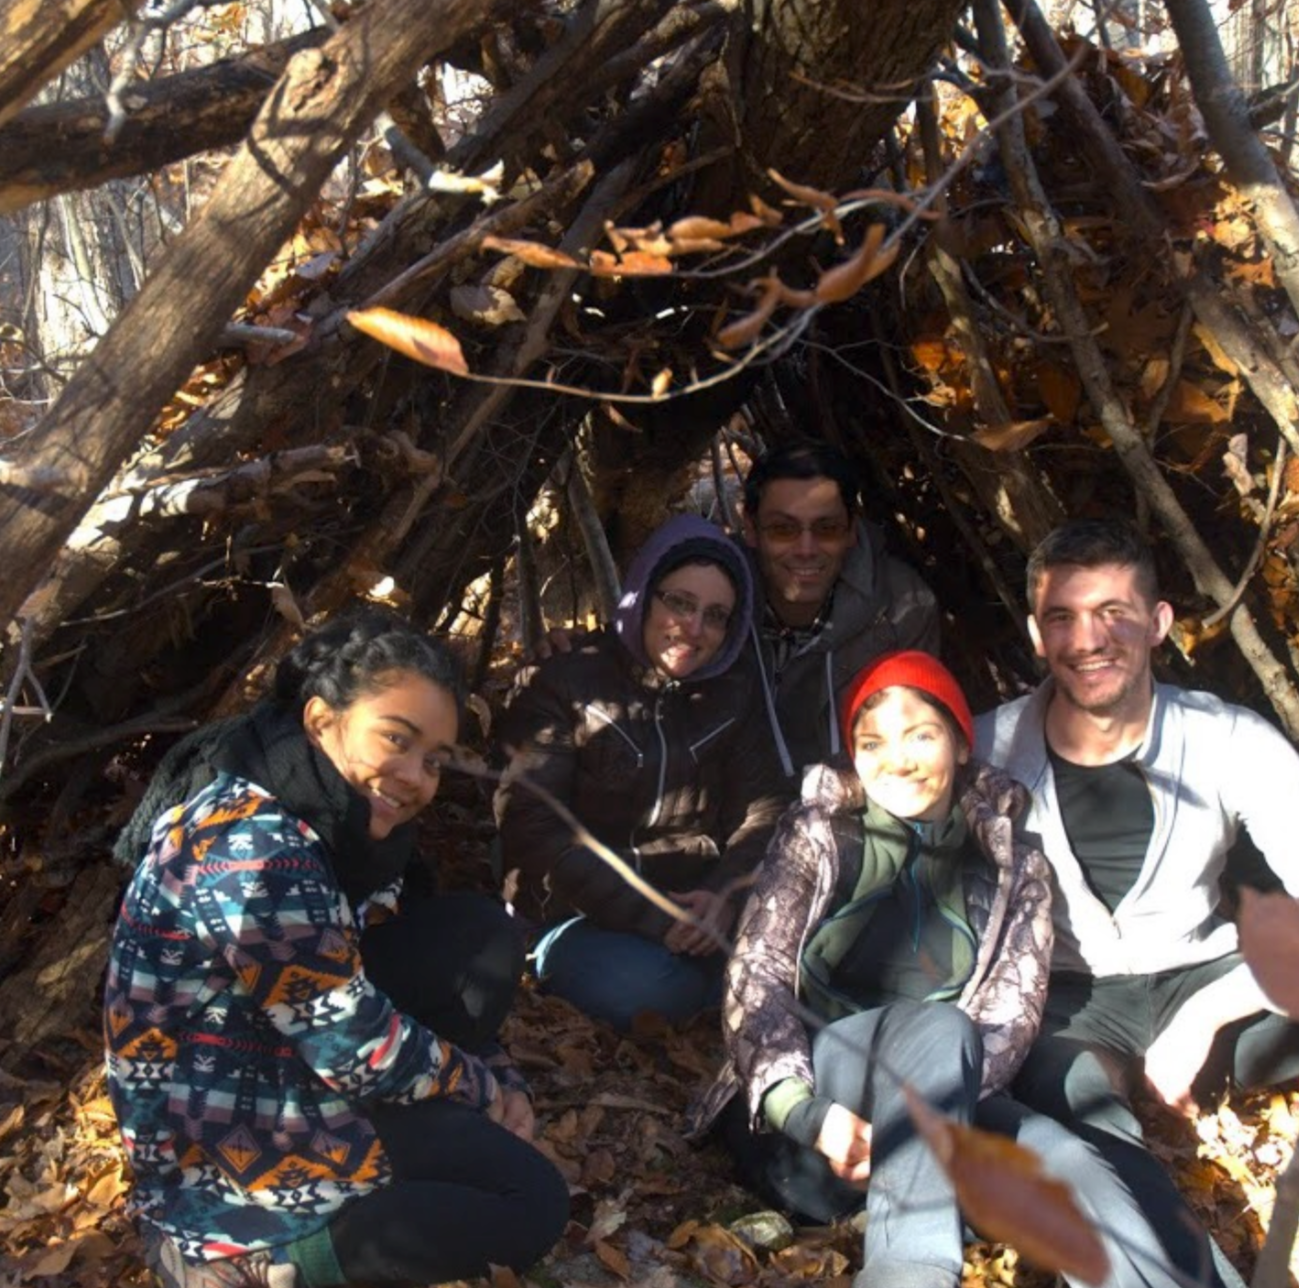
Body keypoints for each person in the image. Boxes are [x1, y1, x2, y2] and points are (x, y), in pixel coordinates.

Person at [105, 609, 568, 1288]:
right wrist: (482, 1087)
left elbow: (374, 989)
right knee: (528, 1203)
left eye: (433, 760)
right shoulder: (255, 848)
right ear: (322, 720)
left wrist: (493, 1078)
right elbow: (352, 1044)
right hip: (220, 1136)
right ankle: (258, 1267)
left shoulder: (344, 832)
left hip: (283, 1070)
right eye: (396, 738)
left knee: (477, 934)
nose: (414, 775)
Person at [694, 650, 1186, 1288]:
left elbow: (1010, 1013)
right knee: (939, 1029)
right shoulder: (817, 836)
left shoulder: (1014, 865)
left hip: (941, 1112)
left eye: (920, 735)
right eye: (872, 743)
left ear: (959, 742)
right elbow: (755, 979)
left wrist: (941, 1116)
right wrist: (806, 1113)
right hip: (813, 1109)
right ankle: (908, 1273)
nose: (896, 761)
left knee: (1069, 1158)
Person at [974, 517, 1299, 1285]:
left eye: (1113, 612)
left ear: (1158, 622)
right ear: (1034, 632)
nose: (1088, 639)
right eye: (1062, 617)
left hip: (1203, 979)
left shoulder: (1224, 738)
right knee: (1085, 1114)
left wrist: (1214, 1008)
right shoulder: (985, 748)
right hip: (1068, 1000)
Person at [494, 514, 790, 1032]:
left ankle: (720, 984)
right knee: (644, 989)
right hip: (579, 913)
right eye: (679, 602)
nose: (695, 629)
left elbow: (763, 811)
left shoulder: (733, 692)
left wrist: (725, 894)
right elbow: (535, 830)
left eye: (716, 615)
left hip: (698, 911)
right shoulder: (564, 682)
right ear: (644, 593)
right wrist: (656, 918)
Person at [739, 439, 940, 775]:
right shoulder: (714, 602)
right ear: (750, 529)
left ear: (852, 530)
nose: (806, 549)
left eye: (827, 529)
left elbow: (916, 747)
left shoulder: (903, 609)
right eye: (782, 529)